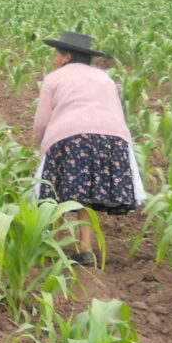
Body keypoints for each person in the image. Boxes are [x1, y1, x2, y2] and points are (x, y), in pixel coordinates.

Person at [33, 31, 146, 267]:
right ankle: (85, 250)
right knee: (86, 196)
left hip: (71, 136)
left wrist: (42, 145)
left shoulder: (55, 78)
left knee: (54, 193)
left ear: (66, 57)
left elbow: (42, 121)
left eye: (56, 55)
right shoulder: (105, 78)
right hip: (113, 140)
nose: (54, 60)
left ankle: (53, 246)